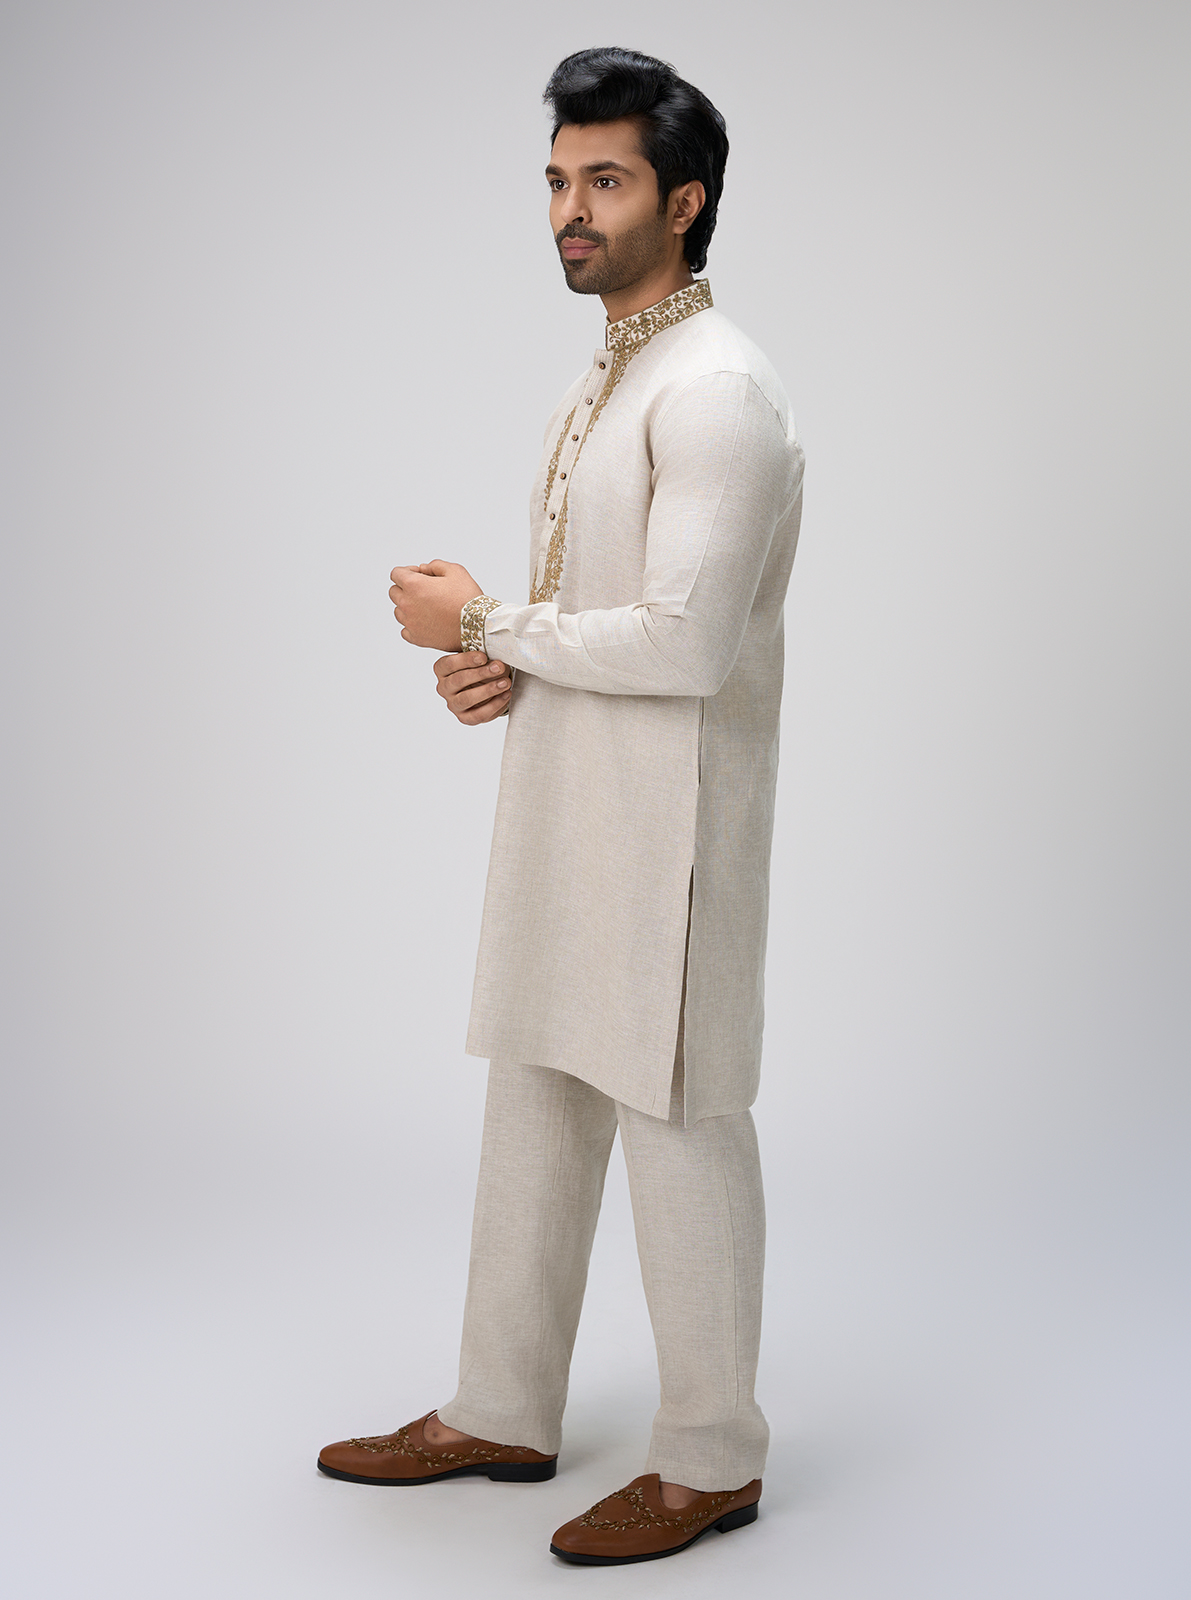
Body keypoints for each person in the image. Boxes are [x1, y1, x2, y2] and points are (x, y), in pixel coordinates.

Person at [318, 45, 804, 1566]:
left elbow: (687, 644)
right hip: (566, 808)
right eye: (556, 180)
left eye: (605, 180)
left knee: (679, 1121)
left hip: (674, 837)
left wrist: (482, 623)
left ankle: (711, 1457)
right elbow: (599, 612)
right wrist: (500, 671)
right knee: (531, 1098)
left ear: (686, 199)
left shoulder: (717, 391)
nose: (570, 211)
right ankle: (501, 1407)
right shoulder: (614, 372)